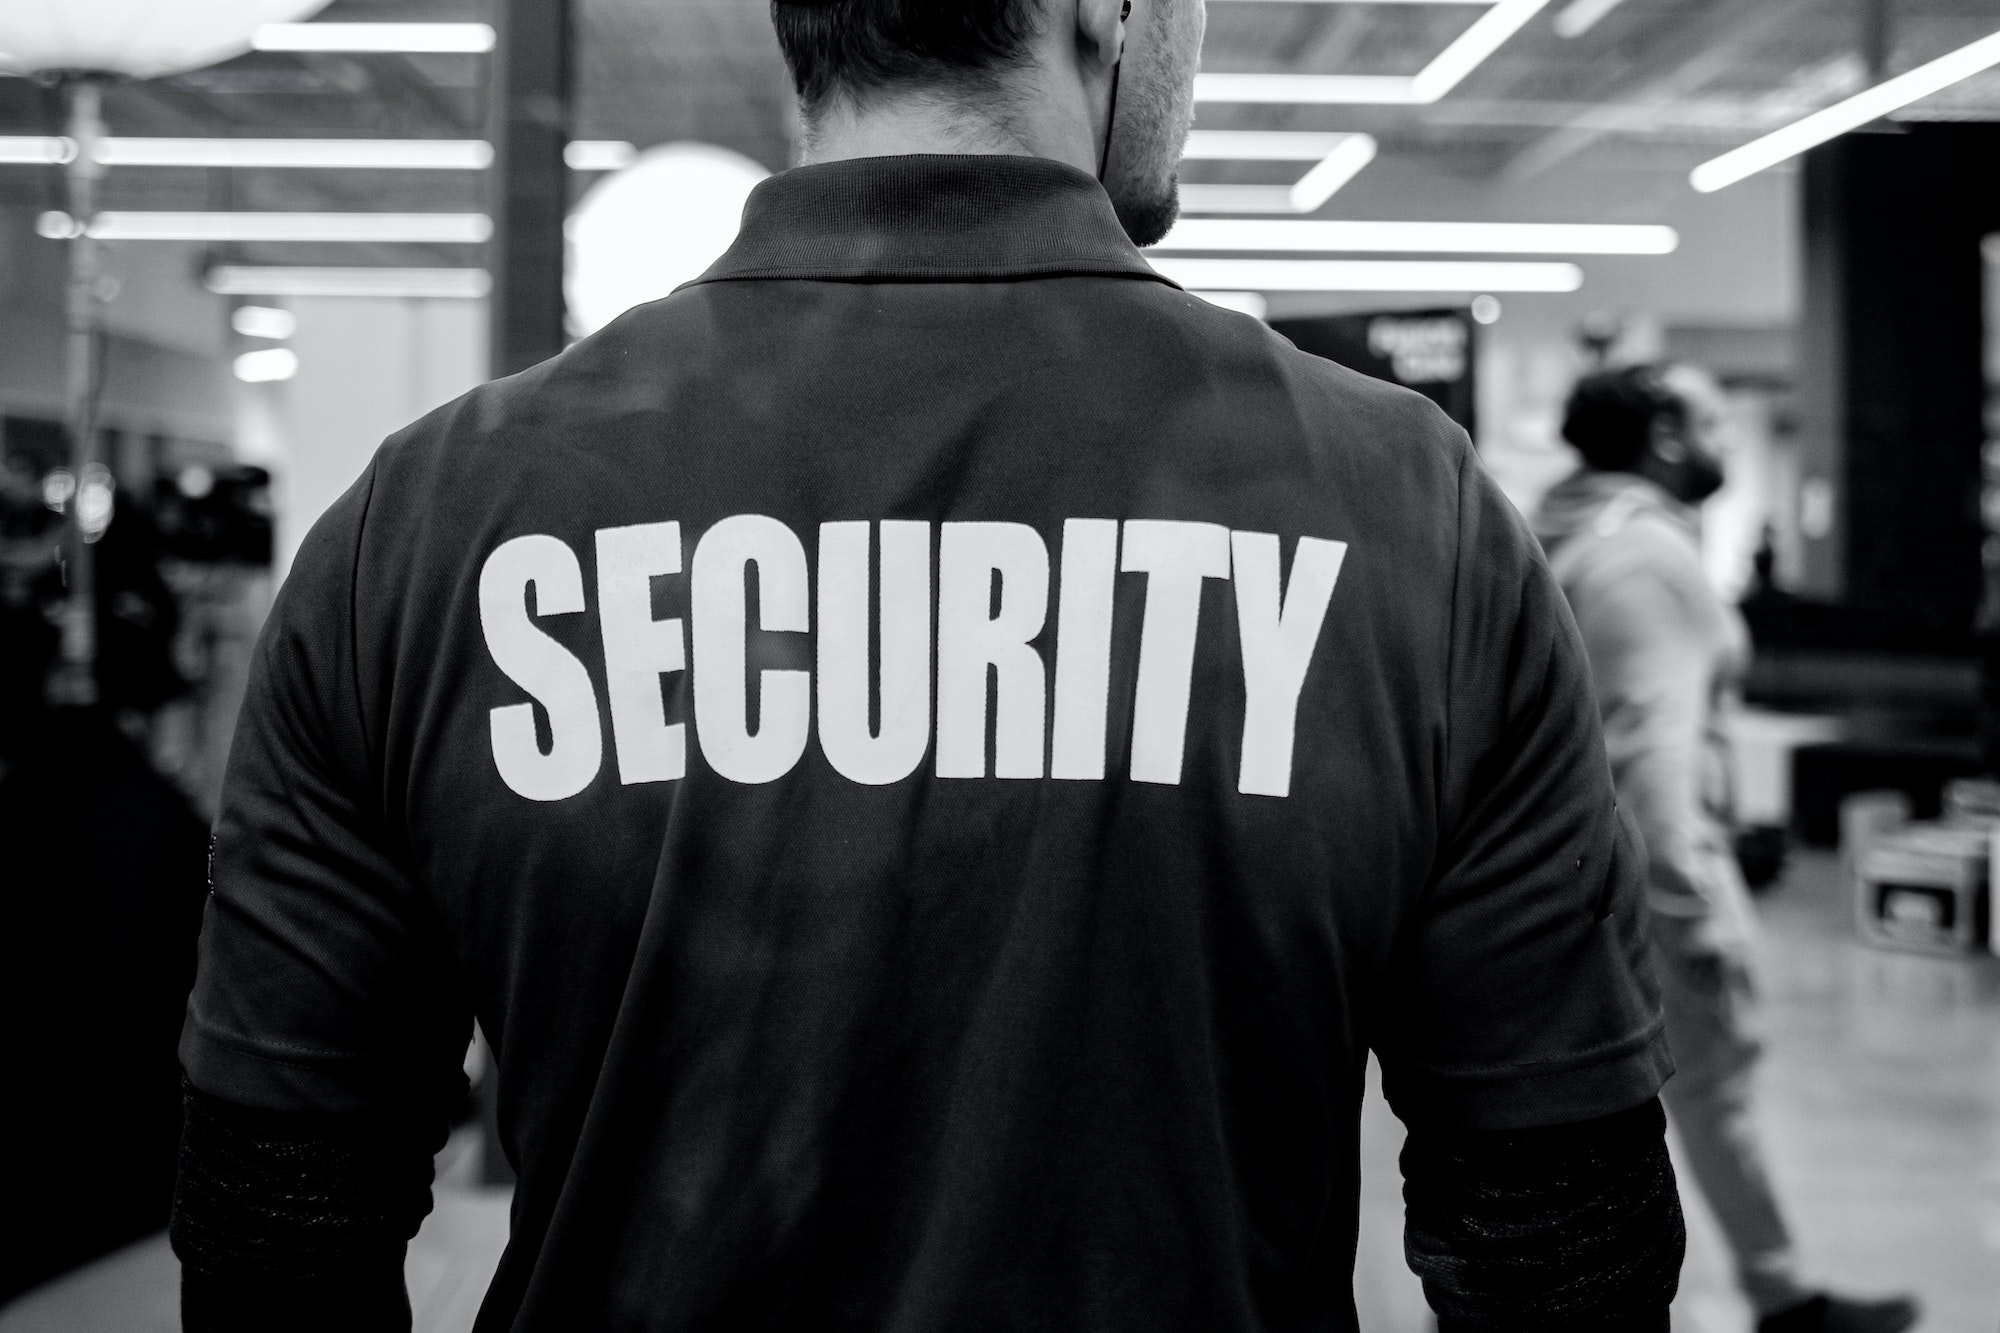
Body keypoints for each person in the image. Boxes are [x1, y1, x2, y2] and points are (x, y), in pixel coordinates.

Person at [170, 1, 1686, 1329]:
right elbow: (1556, 1236)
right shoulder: (1406, 512)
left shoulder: (425, 523)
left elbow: (281, 1218)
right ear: (1108, 7)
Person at [1535, 365, 1921, 1333]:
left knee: (1567, 1120)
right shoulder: (1642, 560)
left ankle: (1771, 1288)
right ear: (1665, 433)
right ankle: (1780, 1296)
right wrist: (1691, 905)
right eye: (1711, 421)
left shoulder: (1569, 531)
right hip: (1640, 891)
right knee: (1713, 1088)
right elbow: (1649, 752)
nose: (1721, 440)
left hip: (1565, 887)